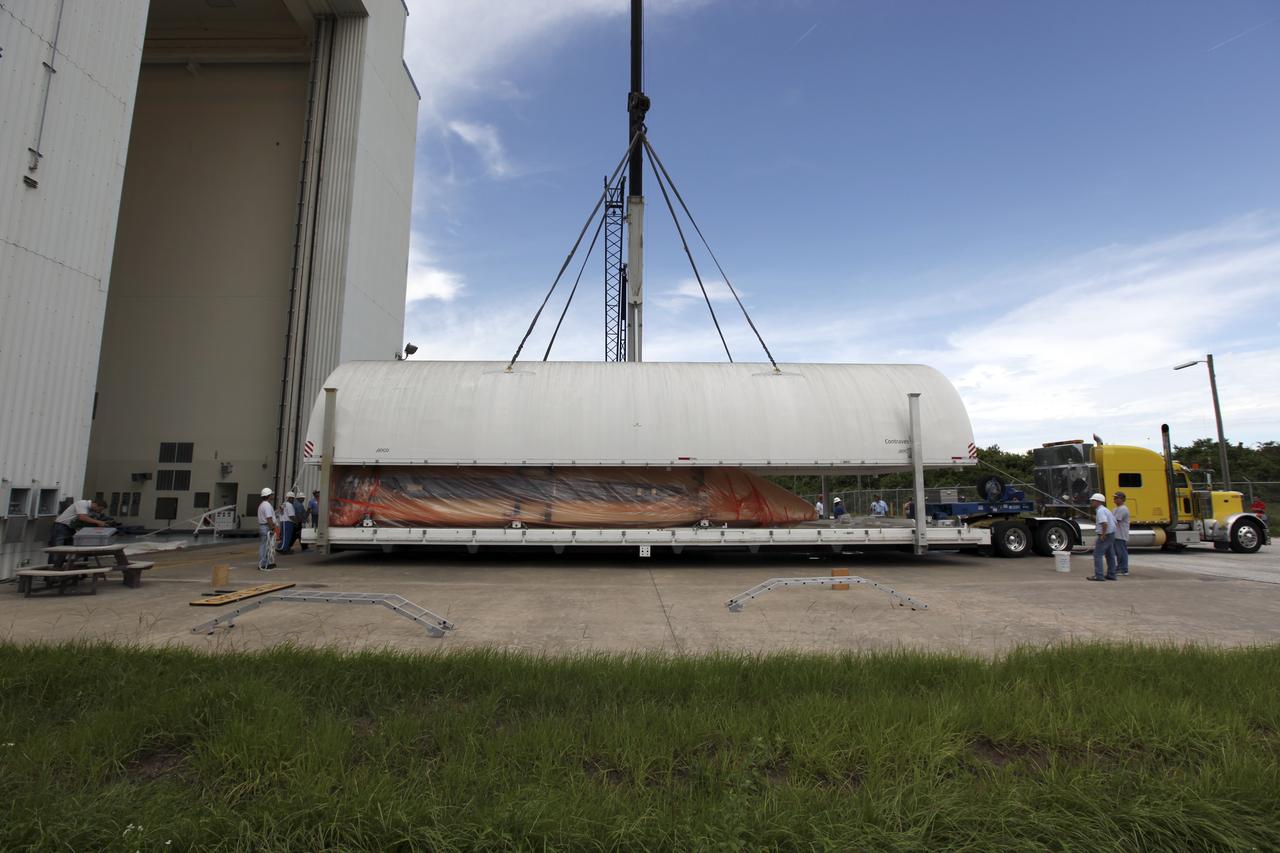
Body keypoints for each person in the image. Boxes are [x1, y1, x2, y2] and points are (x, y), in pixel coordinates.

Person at [1087, 492, 1117, 582]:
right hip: (1111, 534)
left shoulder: (1100, 511)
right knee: (1110, 555)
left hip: (1105, 535)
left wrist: (1103, 535)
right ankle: (1112, 574)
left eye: (1093, 501)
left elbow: (1104, 523)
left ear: (1098, 501)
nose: (1092, 502)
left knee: (1097, 555)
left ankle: (1099, 575)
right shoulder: (1106, 510)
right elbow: (1114, 522)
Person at [257, 487, 279, 571]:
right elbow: (269, 518)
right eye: (272, 494)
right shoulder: (267, 505)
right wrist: (272, 527)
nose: (273, 496)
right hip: (266, 527)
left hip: (264, 526)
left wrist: (278, 511)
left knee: (266, 546)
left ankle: (266, 563)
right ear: (269, 495)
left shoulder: (263, 505)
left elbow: (270, 515)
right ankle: (263, 564)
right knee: (265, 546)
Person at [1112, 491, 1131, 576]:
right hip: (1116, 534)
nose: (1114, 499)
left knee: (1121, 552)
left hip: (1121, 534)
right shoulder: (1116, 509)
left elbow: (1116, 520)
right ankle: (1119, 567)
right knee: (1118, 552)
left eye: (1116, 498)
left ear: (1122, 499)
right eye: (1114, 497)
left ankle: (1124, 569)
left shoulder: (1123, 509)